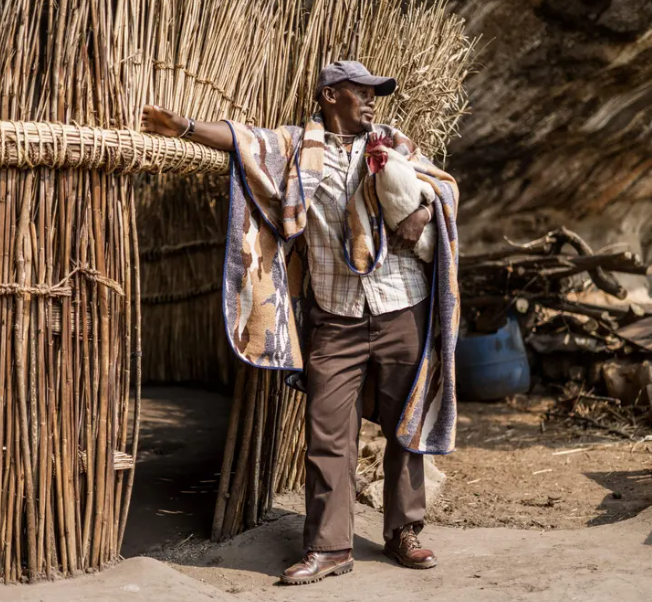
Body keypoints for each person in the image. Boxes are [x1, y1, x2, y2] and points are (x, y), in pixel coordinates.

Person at [142, 61, 456, 585]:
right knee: (328, 431)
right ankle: (331, 547)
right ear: (331, 95)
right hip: (335, 316)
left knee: (407, 421)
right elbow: (244, 139)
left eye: (376, 93)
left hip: (403, 304)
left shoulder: (393, 141)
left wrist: (424, 213)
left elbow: (442, 187)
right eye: (362, 91)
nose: (372, 100)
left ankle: (404, 532)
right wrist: (187, 128)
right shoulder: (295, 146)